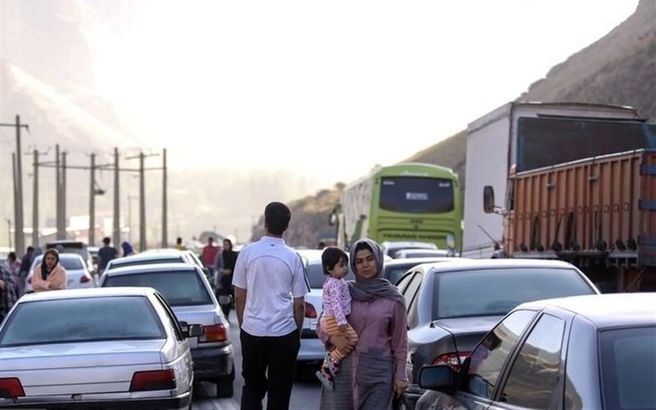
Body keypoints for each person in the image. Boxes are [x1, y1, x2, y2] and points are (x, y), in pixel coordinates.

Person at [232, 202, 309, 410]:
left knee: (252, 388)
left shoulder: (247, 253)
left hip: (252, 331)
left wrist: (243, 324)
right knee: (280, 392)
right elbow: (299, 303)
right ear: (287, 226)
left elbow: (239, 296)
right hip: (284, 333)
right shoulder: (293, 257)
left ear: (265, 222)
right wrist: (297, 333)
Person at [317, 238, 408, 409]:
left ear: (379, 260)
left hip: (379, 374)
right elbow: (321, 323)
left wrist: (400, 376)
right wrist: (332, 339)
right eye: (359, 261)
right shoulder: (344, 290)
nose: (365, 265)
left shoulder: (393, 299)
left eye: (370, 259)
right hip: (343, 372)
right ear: (353, 265)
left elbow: (400, 342)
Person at [314, 247, 358, 391]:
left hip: (332, 319)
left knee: (346, 342)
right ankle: (329, 365)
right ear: (329, 268)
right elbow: (336, 304)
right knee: (352, 339)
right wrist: (341, 322)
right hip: (334, 319)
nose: (345, 268)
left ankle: (331, 364)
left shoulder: (337, 281)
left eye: (346, 264)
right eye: (341, 265)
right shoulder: (334, 284)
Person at [215, 236, 239, 319]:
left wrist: (231, 271)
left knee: (230, 299)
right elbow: (216, 267)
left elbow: (237, 266)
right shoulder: (220, 255)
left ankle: (227, 314)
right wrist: (222, 271)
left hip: (232, 279)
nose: (226, 246)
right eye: (224, 244)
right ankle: (224, 315)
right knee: (222, 298)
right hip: (222, 280)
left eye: (227, 244)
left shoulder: (234, 255)